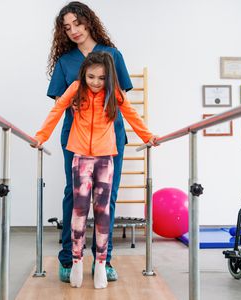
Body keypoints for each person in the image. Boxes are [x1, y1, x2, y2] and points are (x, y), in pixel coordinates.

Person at [34, 51, 157, 288]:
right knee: (79, 212)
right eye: (91, 77)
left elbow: (132, 115)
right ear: (84, 74)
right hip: (80, 157)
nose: (96, 83)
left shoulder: (114, 93)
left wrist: (148, 136)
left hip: (105, 158)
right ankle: (77, 261)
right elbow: (57, 110)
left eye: (101, 78)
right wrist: (41, 136)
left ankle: (100, 263)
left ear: (108, 77)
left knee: (103, 213)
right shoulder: (76, 88)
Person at [47, 1, 133, 282]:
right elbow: (60, 102)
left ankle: (104, 260)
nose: (73, 30)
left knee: (108, 198)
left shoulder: (112, 54)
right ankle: (67, 258)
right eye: (67, 27)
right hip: (76, 136)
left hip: (111, 136)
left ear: (89, 21)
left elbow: (122, 100)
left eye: (77, 23)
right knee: (73, 195)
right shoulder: (65, 61)